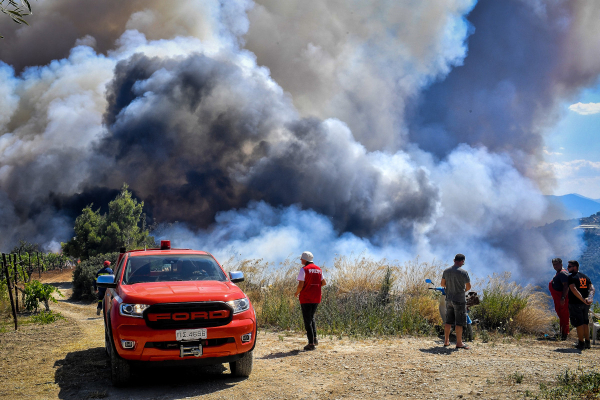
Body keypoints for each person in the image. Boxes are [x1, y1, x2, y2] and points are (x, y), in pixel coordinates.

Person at [294, 251, 326, 351]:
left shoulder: (304, 269)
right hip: (316, 297)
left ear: (305, 260)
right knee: (311, 317)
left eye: (301, 258)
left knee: (307, 320)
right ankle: (315, 339)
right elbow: (324, 283)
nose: (300, 260)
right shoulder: (319, 269)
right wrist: (315, 288)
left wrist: (297, 293)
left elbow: (300, 285)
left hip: (306, 298)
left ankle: (311, 344)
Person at [441, 253, 471, 350]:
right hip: (459, 300)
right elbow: (468, 287)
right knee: (459, 322)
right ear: (462, 261)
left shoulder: (446, 271)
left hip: (449, 299)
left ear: (454, 260)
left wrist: (450, 288)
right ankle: (459, 343)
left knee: (448, 321)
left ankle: (446, 341)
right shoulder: (463, 272)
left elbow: (442, 284)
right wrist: (462, 291)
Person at [567, 260, 595, 350]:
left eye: (569, 266)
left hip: (576, 303)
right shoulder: (585, 277)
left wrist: (582, 300)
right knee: (585, 322)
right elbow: (592, 288)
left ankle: (581, 343)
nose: (568, 268)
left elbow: (573, 289)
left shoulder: (571, 277)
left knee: (579, 323)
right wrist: (589, 298)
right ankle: (587, 342)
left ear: (575, 267)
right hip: (586, 304)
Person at [549, 258, 570, 340]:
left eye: (557, 264)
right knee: (561, 315)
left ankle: (564, 334)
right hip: (558, 298)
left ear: (561, 264)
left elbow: (566, 286)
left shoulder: (563, 273)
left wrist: (563, 298)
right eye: (553, 264)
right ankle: (562, 332)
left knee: (564, 315)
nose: (555, 266)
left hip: (562, 298)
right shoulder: (558, 273)